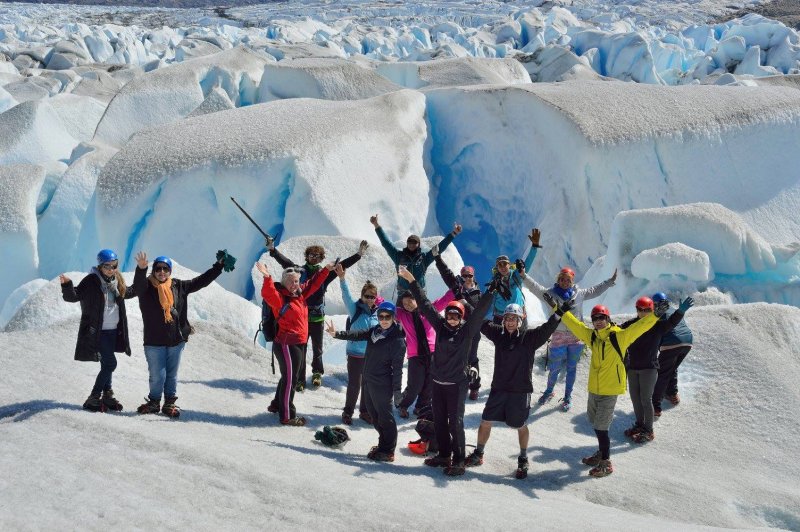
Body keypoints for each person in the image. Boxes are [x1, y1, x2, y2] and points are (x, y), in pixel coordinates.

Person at [399, 266, 495, 477]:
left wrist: (491, 291)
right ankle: (444, 455)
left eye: (456, 316)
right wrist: (412, 280)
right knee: (440, 422)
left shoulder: (467, 332)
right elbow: (424, 304)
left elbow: (479, 312)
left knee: (456, 423)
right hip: (438, 383)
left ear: (461, 318)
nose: (452, 319)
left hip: (457, 386)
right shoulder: (440, 326)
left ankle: (459, 461)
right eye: (449, 315)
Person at [558, 301, 660, 477]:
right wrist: (557, 309)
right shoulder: (593, 336)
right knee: (593, 420)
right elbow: (575, 324)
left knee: (601, 426)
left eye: (601, 318)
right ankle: (601, 452)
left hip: (610, 390)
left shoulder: (619, 337)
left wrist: (655, 315)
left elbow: (640, 327)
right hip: (594, 389)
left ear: (608, 318)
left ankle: (606, 463)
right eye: (595, 318)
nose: (598, 321)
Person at [463, 303, 561, 479]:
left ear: (520, 320)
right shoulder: (498, 334)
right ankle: (479, 453)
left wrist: (558, 314)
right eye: (507, 318)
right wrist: (464, 302)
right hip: (498, 388)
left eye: (513, 319)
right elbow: (481, 320)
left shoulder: (530, 337)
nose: (509, 322)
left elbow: (547, 328)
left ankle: (523, 458)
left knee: (520, 425)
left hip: (520, 391)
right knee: (486, 420)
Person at [133, 251, 232, 418]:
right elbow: (138, 286)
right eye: (158, 269)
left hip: (176, 340)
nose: (162, 272)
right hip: (154, 341)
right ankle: (154, 402)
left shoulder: (178, 286)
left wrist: (218, 266)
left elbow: (201, 281)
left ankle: (169, 403)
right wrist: (141, 269)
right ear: (153, 271)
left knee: (171, 374)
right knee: (158, 375)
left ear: (170, 271)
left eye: (165, 269)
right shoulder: (146, 289)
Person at [266, 237, 367, 390]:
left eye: (317, 256)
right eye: (311, 255)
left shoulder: (324, 274)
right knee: (302, 348)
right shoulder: (298, 271)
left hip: (317, 316)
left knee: (317, 347)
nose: (313, 258)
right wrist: (273, 250)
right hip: (302, 317)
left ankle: (317, 373)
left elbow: (343, 265)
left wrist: (358, 255)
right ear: (306, 256)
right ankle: (300, 379)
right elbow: (285, 262)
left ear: (321, 258)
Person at [520, 265, 617, 410]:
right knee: (554, 368)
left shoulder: (579, 293)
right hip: (558, 334)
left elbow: (595, 290)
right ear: (558, 279)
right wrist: (523, 275)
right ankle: (549, 391)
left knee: (571, 368)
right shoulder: (550, 294)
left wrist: (610, 281)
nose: (565, 282)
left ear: (572, 281)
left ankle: (567, 397)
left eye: (568, 280)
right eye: (562, 279)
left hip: (576, 336)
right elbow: (535, 287)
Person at [326, 301, 406, 462]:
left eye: (387, 317)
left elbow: (397, 370)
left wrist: (397, 392)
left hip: (383, 384)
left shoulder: (397, 340)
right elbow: (357, 334)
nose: (383, 319)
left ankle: (388, 450)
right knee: (374, 415)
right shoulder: (375, 331)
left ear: (393, 318)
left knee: (385, 417)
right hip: (368, 380)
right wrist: (337, 334)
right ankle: (383, 444)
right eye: (381, 316)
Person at [60, 249, 137, 412]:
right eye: (107, 266)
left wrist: (143, 271)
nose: (111, 269)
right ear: (100, 266)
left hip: (113, 331)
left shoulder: (118, 281)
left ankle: (107, 395)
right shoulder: (91, 281)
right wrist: (67, 285)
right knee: (110, 363)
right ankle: (94, 397)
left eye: (114, 265)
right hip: (98, 331)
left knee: (106, 364)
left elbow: (131, 292)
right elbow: (73, 296)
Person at [256, 260, 331, 426]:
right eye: (290, 282)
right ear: (284, 282)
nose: (294, 284)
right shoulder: (280, 298)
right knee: (291, 379)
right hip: (286, 344)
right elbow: (268, 294)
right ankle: (287, 416)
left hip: (298, 342)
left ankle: (277, 404)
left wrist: (326, 269)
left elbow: (314, 283)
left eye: (296, 281)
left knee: (289, 377)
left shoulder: (300, 294)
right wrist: (267, 277)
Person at [620, 296, 694, 443]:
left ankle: (649, 430)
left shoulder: (658, 326)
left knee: (646, 400)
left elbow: (672, 322)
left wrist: (680, 311)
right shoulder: (631, 324)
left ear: (651, 310)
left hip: (649, 369)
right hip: (633, 368)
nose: (643, 312)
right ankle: (640, 425)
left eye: (646, 310)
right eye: (640, 309)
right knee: (636, 400)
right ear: (636, 310)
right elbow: (617, 330)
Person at [394, 285, 454, 419]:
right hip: (415, 356)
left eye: (410, 301)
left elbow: (445, 300)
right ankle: (403, 405)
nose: (407, 305)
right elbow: (386, 308)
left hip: (433, 353)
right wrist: (375, 299)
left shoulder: (429, 310)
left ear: (417, 299)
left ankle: (421, 406)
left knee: (430, 382)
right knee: (414, 385)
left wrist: (456, 288)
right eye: (404, 303)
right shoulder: (402, 315)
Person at [431, 246, 483, 400]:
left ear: (473, 277)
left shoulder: (478, 294)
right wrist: (437, 258)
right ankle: (459, 383)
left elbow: (478, 314)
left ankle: (474, 386)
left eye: (470, 275)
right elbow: (446, 274)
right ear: (461, 276)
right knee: (458, 357)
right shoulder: (457, 289)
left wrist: (465, 304)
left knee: (472, 358)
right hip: (457, 329)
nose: (467, 278)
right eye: (464, 275)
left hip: (472, 331)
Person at [337, 264, 382, 425]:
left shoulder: (378, 313)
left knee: (367, 385)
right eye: (367, 296)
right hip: (355, 353)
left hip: (371, 354)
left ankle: (364, 412)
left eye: (373, 296)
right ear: (362, 296)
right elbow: (346, 296)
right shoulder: (355, 308)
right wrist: (342, 278)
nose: (370, 299)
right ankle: (348, 412)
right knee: (355, 384)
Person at [370, 213, 460, 293]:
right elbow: (386, 243)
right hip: (403, 293)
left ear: (419, 244)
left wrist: (453, 234)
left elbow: (439, 248)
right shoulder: (398, 256)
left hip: (419, 294)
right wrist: (376, 225)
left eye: (414, 243)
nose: (411, 245)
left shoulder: (424, 258)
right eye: (409, 242)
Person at [651, 292, 694, 416]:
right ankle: (672, 394)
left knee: (661, 374)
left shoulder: (656, 313)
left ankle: (655, 405)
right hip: (688, 341)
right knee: (671, 368)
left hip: (671, 343)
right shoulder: (674, 309)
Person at [488, 228, 541, 324]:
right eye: (500, 265)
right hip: (500, 316)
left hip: (519, 314)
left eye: (505, 264)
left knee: (521, 339)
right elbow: (488, 297)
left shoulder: (516, 275)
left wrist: (534, 246)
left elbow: (528, 262)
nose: (503, 267)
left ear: (509, 265)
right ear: (497, 268)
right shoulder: (494, 281)